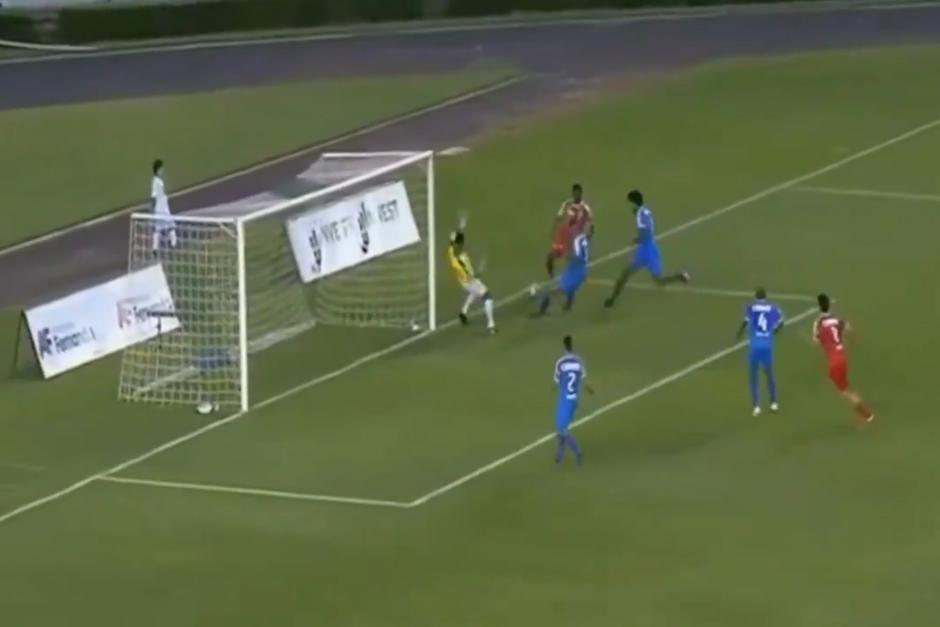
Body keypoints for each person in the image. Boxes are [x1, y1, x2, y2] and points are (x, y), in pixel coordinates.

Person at [603, 189, 689, 307]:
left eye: (630, 203)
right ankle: (612, 299)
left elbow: (646, 229)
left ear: (634, 202)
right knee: (625, 274)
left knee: (657, 281)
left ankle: (680, 276)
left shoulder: (640, 216)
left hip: (647, 250)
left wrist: (638, 239)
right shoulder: (645, 210)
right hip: (647, 248)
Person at [813, 293, 874, 424]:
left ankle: (866, 415)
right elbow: (851, 332)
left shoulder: (818, 323)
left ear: (819, 307)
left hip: (833, 361)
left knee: (845, 391)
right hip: (842, 356)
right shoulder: (838, 319)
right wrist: (848, 348)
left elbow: (816, 342)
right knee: (846, 387)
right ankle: (865, 414)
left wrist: (822, 343)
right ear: (829, 305)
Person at [737, 288, 784, 416]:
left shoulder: (751, 308)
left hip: (755, 346)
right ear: (765, 297)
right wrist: (773, 332)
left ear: (755, 297)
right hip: (767, 345)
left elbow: (745, 322)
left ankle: (756, 406)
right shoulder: (773, 308)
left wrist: (738, 334)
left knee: (753, 376)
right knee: (769, 374)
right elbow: (781, 322)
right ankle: (774, 403)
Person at [447, 216, 496, 333]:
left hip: (463, 281)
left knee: (474, 293)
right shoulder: (459, 264)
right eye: (460, 243)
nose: (462, 244)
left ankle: (463, 312)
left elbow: (458, 237)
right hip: (469, 281)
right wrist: (481, 269)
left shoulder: (451, 251)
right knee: (487, 296)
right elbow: (473, 277)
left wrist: (461, 226)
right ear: (457, 245)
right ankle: (491, 325)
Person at [553, 335, 593, 464]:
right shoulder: (578, 361)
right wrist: (589, 390)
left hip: (565, 398)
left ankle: (577, 452)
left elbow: (557, 381)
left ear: (563, 346)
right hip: (574, 399)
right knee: (563, 428)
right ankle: (559, 455)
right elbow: (583, 380)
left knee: (561, 429)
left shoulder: (561, 362)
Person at [535, 224, 590, 315]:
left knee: (556, 291)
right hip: (578, 268)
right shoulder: (583, 240)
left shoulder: (576, 242)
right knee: (570, 288)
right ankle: (568, 306)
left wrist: (566, 254)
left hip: (576, 269)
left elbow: (574, 255)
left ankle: (542, 309)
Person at [547, 183, 592, 278]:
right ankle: (551, 275)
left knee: (572, 259)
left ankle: (574, 276)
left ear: (581, 193)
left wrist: (588, 235)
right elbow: (558, 217)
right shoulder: (567, 203)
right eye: (575, 193)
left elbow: (590, 223)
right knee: (551, 256)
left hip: (575, 237)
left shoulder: (585, 208)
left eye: (578, 193)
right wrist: (554, 230)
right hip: (563, 234)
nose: (576, 196)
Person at [150, 159, 177, 252]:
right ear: (158, 169)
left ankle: (155, 248)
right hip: (161, 207)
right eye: (161, 168)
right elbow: (153, 196)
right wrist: (152, 208)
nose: (163, 170)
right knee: (170, 225)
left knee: (158, 227)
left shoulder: (157, 180)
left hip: (162, 205)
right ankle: (173, 243)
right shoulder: (156, 182)